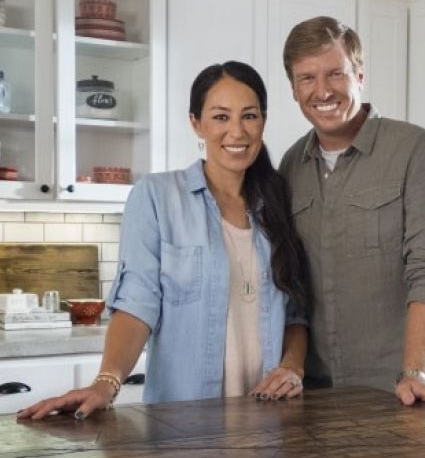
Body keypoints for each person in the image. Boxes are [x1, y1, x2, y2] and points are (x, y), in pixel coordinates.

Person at [18, 61, 310, 420]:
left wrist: (292, 368)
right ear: (195, 123)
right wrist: (106, 383)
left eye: (249, 116)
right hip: (183, 425)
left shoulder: (279, 202)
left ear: (263, 121)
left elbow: (295, 312)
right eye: (220, 117)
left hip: (270, 424)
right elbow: (137, 303)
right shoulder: (156, 197)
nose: (237, 131)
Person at [278, 16, 425, 408]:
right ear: (293, 89)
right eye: (306, 78)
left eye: (335, 74)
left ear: (359, 74)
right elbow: (289, 283)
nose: (322, 90)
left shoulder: (417, 150)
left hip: (399, 391)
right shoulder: (290, 166)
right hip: (314, 396)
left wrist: (414, 371)